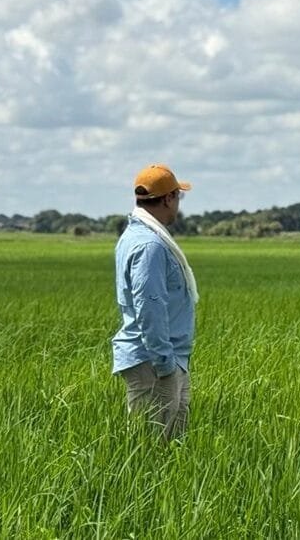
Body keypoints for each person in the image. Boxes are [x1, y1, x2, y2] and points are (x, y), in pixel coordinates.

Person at [112, 164, 198, 441]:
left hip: (166, 358)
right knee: (149, 450)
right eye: (177, 197)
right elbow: (149, 306)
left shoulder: (142, 237)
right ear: (168, 198)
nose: (177, 206)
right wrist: (165, 365)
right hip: (154, 362)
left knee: (171, 447)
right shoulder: (149, 245)